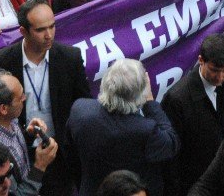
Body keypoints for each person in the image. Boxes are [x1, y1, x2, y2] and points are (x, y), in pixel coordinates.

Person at [0, 0, 90, 195]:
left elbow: (84, 103)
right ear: (23, 31)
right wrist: (5, 129)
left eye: (52, 26)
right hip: (19, 155)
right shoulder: (3, 60)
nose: (49, 35)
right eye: (41, 29)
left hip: (60, 154)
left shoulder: (70, 57)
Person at [64, 59, 178, 196]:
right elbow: (171, 143)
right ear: (139, 93)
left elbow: (69, 154)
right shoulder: (146, 130)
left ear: (105, 83)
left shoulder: (80, 110)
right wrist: (149, 101)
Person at [161, 35, 224, 195]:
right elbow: (171, 157)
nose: (220, 77)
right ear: (201, 60)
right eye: (214, 70)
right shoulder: (177, 99)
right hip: (195, 184)